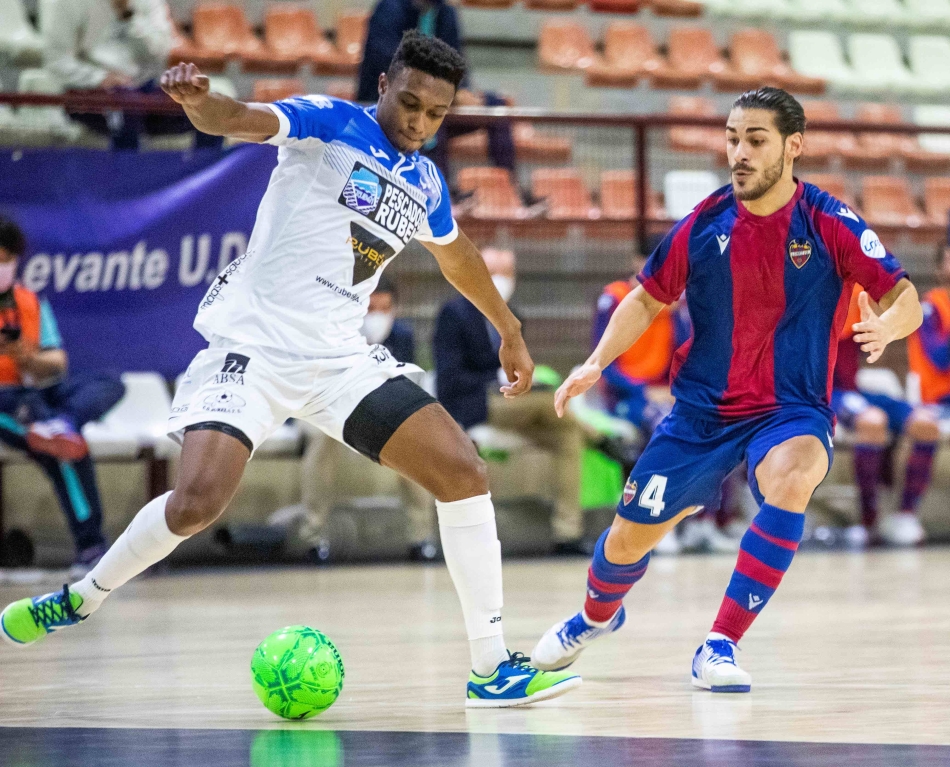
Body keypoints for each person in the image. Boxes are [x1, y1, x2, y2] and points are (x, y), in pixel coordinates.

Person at [1, 32, 580, 709]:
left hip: (339, 360)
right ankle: (82, 596)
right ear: (385, 84)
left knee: (463, 471)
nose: (420, 122)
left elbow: (456, 256)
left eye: (436, 113)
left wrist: (508, 329)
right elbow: (241, 119)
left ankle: (490, 667)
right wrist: (200, 102)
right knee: (196, 503)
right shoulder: (329, 123)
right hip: (253, 350)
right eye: (411, 103)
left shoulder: (425, 180)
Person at [530, 87, 922, 693]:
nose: (739, 153)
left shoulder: (827, 221)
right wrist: (595, 363)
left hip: (791, 409)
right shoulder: (705, 222)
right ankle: (594, 617)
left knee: (793, 475)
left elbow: (906, 298)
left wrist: (890, 326)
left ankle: (721, 642)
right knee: (628, 536)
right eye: (733, 139)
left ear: (793, 147)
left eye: (755, 141)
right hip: (701, 415)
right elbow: (647, 297)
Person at [434, 247, 588, 554]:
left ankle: (567, 533)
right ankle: (604, 439)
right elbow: (448, 379)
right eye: (493, 273)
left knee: (567, 433)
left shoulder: (514, 316)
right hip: (474, 404)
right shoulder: (454, 314)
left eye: (507, 273)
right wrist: (494, 378)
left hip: (514, 406)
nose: (501, 280)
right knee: (550, 404)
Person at [0, 217, 125, 576]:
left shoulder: (29, 302)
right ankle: (91, 547)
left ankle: (64, 422)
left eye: (6, 259)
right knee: (62, 451)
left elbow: (56, 361)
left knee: (108, 383)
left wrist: (28, 357)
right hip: (6, 400)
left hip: (37, 390)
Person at [594, 266, 740, 555]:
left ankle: (704, 523)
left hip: (668, 395)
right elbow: (604, 365)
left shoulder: (677, 310)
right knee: (667, 431)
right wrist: (644, 391)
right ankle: (655, 525)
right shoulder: (615, 299)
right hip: (628, 398)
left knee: (721, 427)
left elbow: (691, 361)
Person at [297, 277, 440, 563]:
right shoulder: (335, 332)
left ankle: (421, 537)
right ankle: (314, 535)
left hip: (380, 408)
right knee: (320, 440)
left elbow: (407, 385)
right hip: (328, 409)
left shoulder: (403, 336)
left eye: (384, 308)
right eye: (370, 307)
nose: (377, 315)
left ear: (394, 310)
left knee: (415, 440)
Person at [832, 284, 939, 547]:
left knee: (926, 424)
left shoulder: (856, 293)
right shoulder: (801, 296)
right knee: (872, 422)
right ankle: (869, 521)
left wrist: (886, 326)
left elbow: (899, 302)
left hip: (853, 387)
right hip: (823, 393)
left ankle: (904, 515)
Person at [356, 0, 515, 175]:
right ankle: (439, 188)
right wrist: (445, 95)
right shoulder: (389, 8)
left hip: (440, 96)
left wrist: (461, 91)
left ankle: (509, 184)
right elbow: (393, 66)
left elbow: (456, 60)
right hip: (394, 101)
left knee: (496, 108)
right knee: (432, 116)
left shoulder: (446, 12)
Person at [39, 0, 221, 150]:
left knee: (209, 111)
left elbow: (162, 50)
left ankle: (202, 190)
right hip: (90, 93)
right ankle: (123, 188)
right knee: (126, 106)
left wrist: (129, 15)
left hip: (143, 90)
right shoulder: (69, 3)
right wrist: (100, 78)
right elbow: (56, 61)